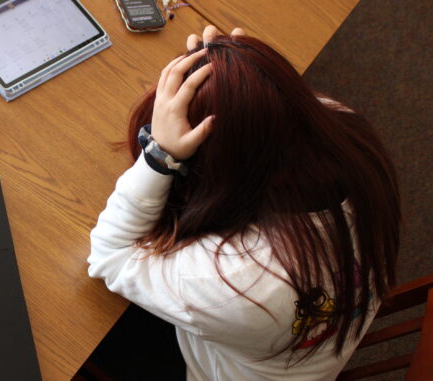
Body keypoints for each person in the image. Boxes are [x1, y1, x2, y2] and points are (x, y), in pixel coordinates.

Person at [88, 26, 400, 381]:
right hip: (315, 339)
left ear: (212, 171)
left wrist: (161, 154)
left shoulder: (233, 279)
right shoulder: (348, 130)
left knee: (86, 331)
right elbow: (292, 107)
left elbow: (109, 257)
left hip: (226, 361)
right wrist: (246, 73)